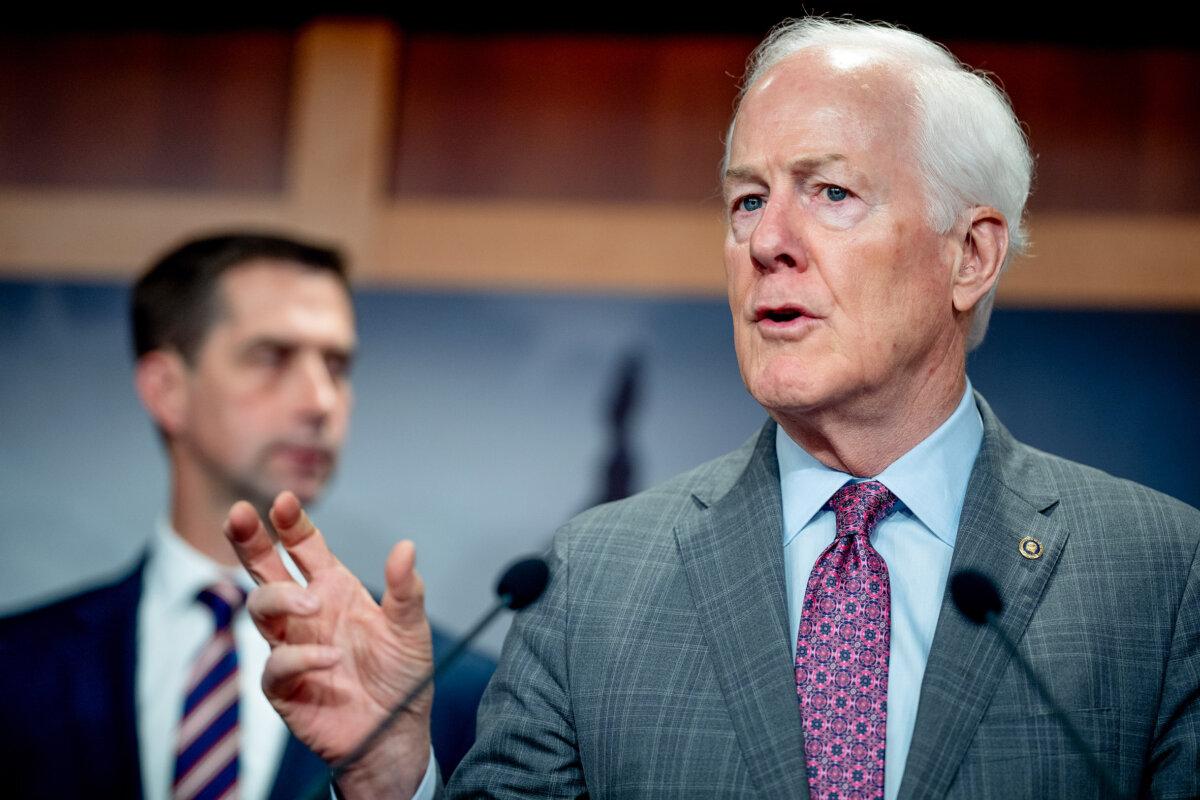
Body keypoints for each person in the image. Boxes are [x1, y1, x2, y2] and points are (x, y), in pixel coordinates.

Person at [225, 18, 1199, 800]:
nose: (767, 240)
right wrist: (393, 778)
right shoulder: (592, 579)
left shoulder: (1160, 577)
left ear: (971, 254)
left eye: (830, 192)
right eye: (746, 201)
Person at [0, 233, 494, 799]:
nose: (321, 402)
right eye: (272, 357)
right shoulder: (14, 669)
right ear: (166, 390)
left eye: (336, 366)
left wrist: (386, 783)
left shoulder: (456, 692)